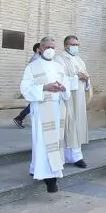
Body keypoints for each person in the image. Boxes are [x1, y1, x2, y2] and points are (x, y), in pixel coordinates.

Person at [20, 36, 69, 193]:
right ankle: (50, 178)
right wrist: (44, 88)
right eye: (47, 47)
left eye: (53, 47)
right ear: (40, 49)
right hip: (42, 109)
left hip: (57, 109)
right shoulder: (32, 67)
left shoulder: (59, 66)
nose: (50, 50)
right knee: (43, 142)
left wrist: (63, 88)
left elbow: (67, 86)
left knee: (54, 142)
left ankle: (37, 168)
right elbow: (25, 88)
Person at [57, 35, 90, 168]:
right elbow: (60, 78)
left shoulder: (80, 60)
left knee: (77, 125)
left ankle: (74, 155)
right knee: (70, 125)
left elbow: (86, 78)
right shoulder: (59, 59)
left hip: (80, 97)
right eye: (73, 45)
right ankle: (74, 156)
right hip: (68, 98)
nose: (75, 47)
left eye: (77, 45)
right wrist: (77, 77)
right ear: (65, 46)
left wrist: (87, 79)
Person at [13, 42, 41, 128]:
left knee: (36, 102)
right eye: (42, 48)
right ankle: (20, 117)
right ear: (37, 49)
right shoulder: (35, 59)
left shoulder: (36, 58)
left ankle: (20, 117)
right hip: (36, 84)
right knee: (36, 102)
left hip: (37, 84)